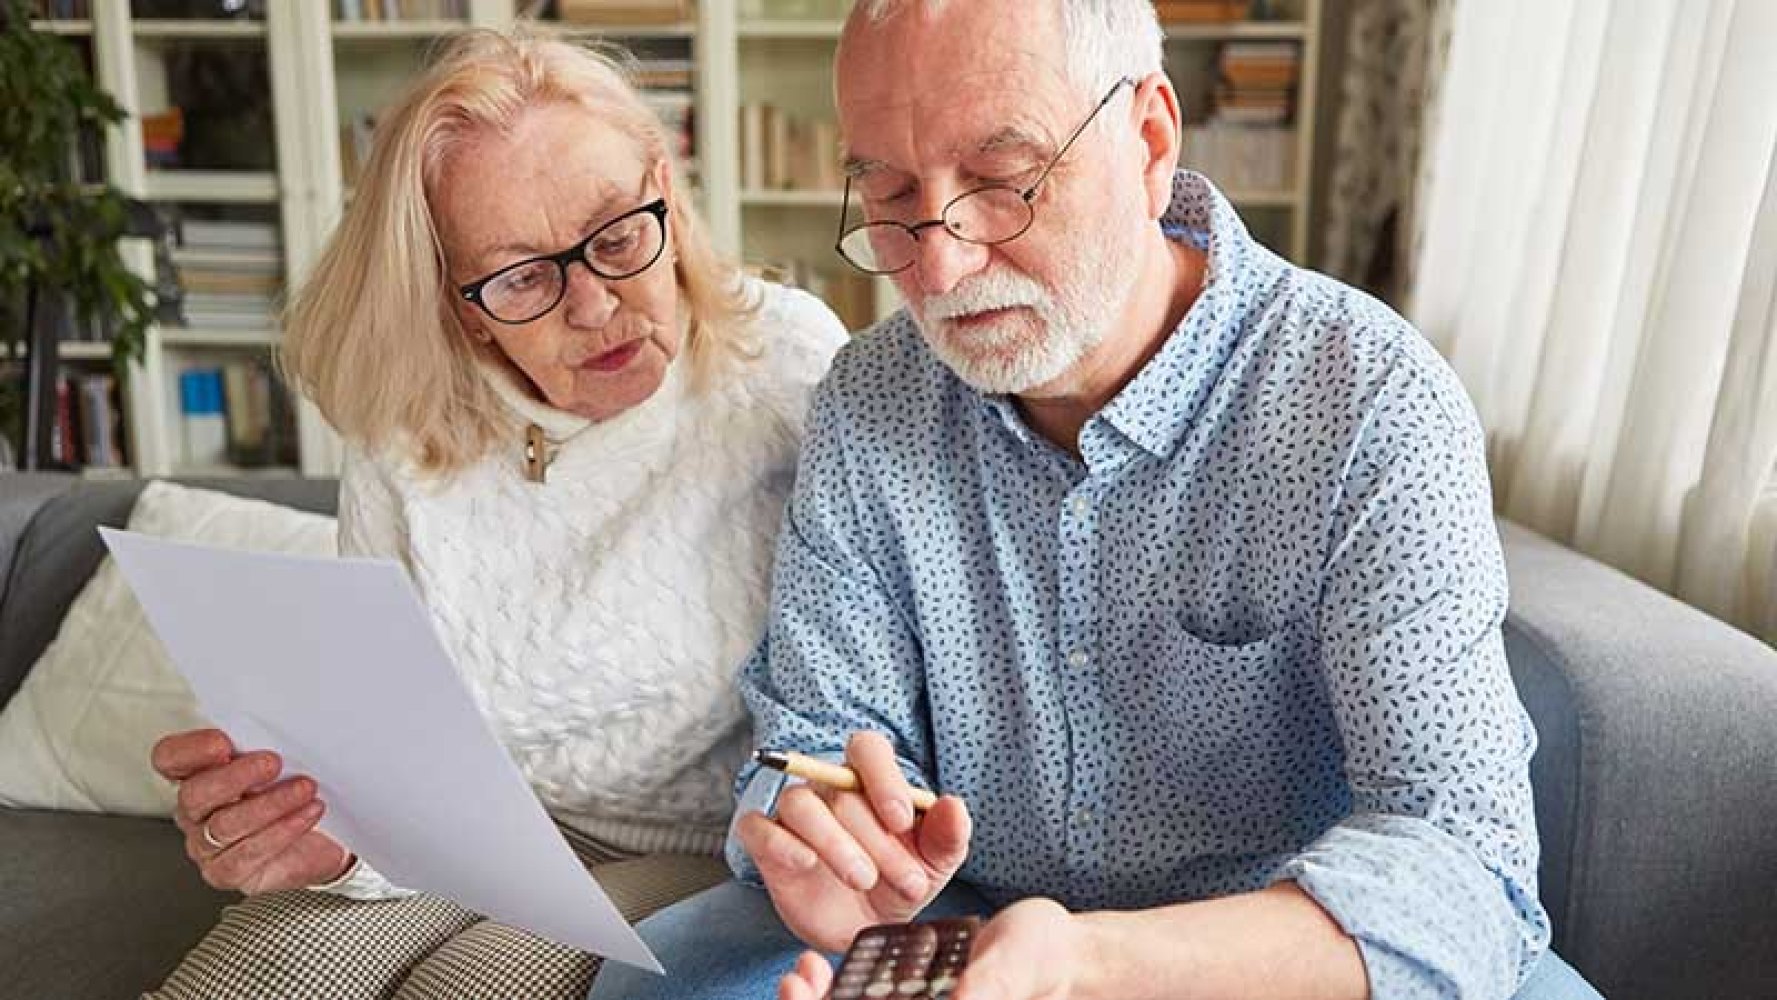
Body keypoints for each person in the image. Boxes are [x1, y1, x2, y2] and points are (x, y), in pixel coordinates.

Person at [588, 2, 1607, 999]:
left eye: (1002, 180)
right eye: (891, 196)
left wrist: (1091, 966)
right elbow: (813, 736)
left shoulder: (1367, 399)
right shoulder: (871, 398)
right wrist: (826, 844)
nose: (937, 265)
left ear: (1150, 138)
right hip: (954, 929)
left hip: (1267, 953)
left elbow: (1461, 863)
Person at [145, 27, 846, 1000]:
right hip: (453, 836)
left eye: (616, 234)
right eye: (521, 275)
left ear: (664, 187)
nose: (595, 304)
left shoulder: (787, 363)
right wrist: (326, 840)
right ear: (458, 299)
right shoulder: (406, 430)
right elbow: (376, 751)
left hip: (700, 845)